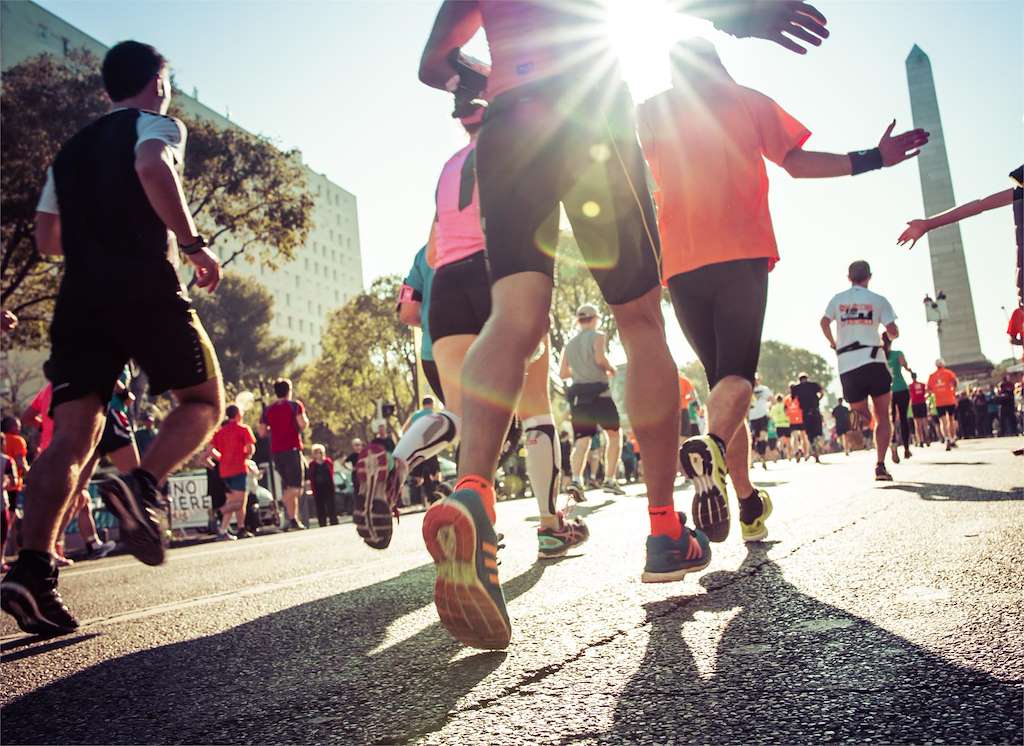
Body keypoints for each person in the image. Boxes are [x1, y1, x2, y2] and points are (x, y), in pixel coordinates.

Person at [417, 0, 833, 650]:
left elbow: (435, 65)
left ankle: (472, 492)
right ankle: (665, 528)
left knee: (516, 314)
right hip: (589, 110)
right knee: (639, 321)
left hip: (509, 121)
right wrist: (738, 15)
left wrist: (478, 77)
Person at [636, 37, 925, 545]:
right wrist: (873, 158)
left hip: (679, 265)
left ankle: (746, 502)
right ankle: (710, 447)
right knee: (737, 380)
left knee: (723, 386)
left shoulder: (649, 112)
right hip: (740, 252)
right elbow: (796, 161)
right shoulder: (745, 99)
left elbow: (630, 178)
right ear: (718, 63)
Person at [0, 41, 224, 636]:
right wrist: (195, 245)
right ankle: (141, 485)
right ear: (157, 83)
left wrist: (96, 249)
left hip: (80, 296)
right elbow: (152, 167)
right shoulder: (157, 124)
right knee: (203, 401)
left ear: (106, 89)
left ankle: (32, 571)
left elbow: (49, 238)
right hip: (144, 281)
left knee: (71, 438)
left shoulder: (68, 153)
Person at [356, 88, 587, 564]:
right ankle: (549, 527)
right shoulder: (519, 142)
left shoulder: (448, 167)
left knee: (463, 417)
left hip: (447, 289)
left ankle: (397, 462)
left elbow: (435, 250)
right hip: (498, 273)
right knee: (536, 408)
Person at [899, 165, 1023, 313]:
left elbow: (979, 206)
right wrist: (928, 224)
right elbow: (979, 205)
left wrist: (928, 224)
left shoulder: (1019, 194)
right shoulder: (1019, 194)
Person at [820, 260, 898, 481]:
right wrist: (888, 336)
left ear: (848, 277)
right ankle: (881, 462)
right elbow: (893, 331)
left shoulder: (838, 299)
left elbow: (824, 322)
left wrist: (834, 342)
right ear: (869, 277)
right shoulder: (878, 300)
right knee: (883, 417)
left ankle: (867, 434)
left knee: (861, 416)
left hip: (848, 364)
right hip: (874, 359)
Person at [560, 305, 625, 497]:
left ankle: (576, 481)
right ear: (595, 318)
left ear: (579, 320)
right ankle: (610, 480)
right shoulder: (598, 336)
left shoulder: (569, 345)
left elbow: (563, 373)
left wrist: (580, 370)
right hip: (600, 393)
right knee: (614, 435)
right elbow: (599, 358)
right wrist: (611, 368)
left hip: (579, 395)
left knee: (582, 440)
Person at [259, 378, 308, 530]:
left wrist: (274, 430)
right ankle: (278, 503)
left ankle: (293, 519)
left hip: (277, 452)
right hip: (292, 449)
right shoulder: (295, 405)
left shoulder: (268, 410)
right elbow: (303, 424)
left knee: (288, 487)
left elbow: (261, 432)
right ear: (289, 390)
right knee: (297, 489)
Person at [400, 247, 444, 403]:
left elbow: (407, 313)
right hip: (485, 346)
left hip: (433, 353)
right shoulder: (491, 238)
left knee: (460, 418)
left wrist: (431, 322)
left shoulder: (423, 255)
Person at [206, 405, 256, 540]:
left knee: (234, 501)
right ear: (238, 414)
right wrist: (245, 456)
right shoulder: (243, 429)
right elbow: (251, 448)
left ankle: (228, 530)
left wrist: (222, 458)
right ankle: (218, 512)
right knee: (239, 503)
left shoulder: (220, 432)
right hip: (239, 469)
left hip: (225, 471)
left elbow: (209, 450)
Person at [790, 373, 824, 463]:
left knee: (809, 433)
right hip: (815, 410)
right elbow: (822, 392)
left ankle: (813, 445)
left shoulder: (796, 388)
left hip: (805, 412)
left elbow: (793, 399)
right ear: (807, 378)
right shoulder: (814, 385)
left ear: (799, 379)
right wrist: (818, 400)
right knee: (818, 430)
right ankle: (817, 440)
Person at [927, 360, 959, 451]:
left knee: (943, 422)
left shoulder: (932, 376)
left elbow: (928, 389)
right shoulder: (948, 372)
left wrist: (935, 392)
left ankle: (947, 438)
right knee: (951, 420)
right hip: (950, 400)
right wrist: (952, 390)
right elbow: (955, 381)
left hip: (939, 401)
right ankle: (952, 438)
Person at [307, 444, 338, 527]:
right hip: (318, 488)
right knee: (320, 507)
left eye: (320, 452)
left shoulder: (328, 461)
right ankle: (322, 523)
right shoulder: (312, 464)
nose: (318, 454)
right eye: (316, 452)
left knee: (331, 505)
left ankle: (334, 522)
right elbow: (310, 475)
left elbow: (331, 473)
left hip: (328, 486)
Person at [747, 374, 773, 470]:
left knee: (762, 437)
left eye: (756, 379)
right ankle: (754, 459)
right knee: (755, 439)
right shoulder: (747, 390)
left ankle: (763, 459)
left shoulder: (764, 389)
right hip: (753, 418)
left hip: (762, 416)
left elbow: (772, 399)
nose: (755, 381)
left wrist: (769, 409)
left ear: (759, 380)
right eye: (753, 379)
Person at [784, 390, 808, 461]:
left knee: (798, 437)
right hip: (796, 420)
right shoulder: (789, 398)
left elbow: (785, 411)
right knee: (801, 437)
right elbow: (785, 410)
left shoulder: (788, 398)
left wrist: (788, 415)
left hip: (796, 420)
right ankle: (800, 452)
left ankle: (801, 452)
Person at [908, 372, 929, 447]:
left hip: (915, 404)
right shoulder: (922, 385)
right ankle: (927, 438)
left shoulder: (910, 386)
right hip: (922, 403)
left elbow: (909, 396)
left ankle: (921, 440)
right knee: (924, 423)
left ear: (911, 377)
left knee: (917, 424)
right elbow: (926, 393)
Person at [769, 394, 791, 460]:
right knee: (788, 441)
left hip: (778, 425)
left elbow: (770, 416)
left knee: (781, 440)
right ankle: (789, 455)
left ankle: (781, 450)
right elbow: (789, 414)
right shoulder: (785, 406)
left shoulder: (774, 407)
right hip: (786, 424)